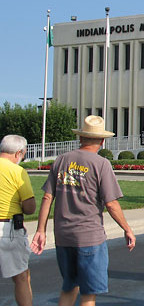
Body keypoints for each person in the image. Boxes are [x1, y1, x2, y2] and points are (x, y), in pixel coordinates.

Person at [31, 115, 136, 306]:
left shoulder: (61, 160)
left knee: (69, 286)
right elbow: (111, 203)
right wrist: (127, 228)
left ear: (80, 138)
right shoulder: (101, 164)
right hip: (89, 237)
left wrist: (40, 230)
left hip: (63, 236)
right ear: (102, 141)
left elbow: (47, 197)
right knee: (88, 293)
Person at [0, 135, 36, 306]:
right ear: (19, 153)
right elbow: (30, 207)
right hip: (8, 228)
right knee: (22, 276)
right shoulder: (17, 171)